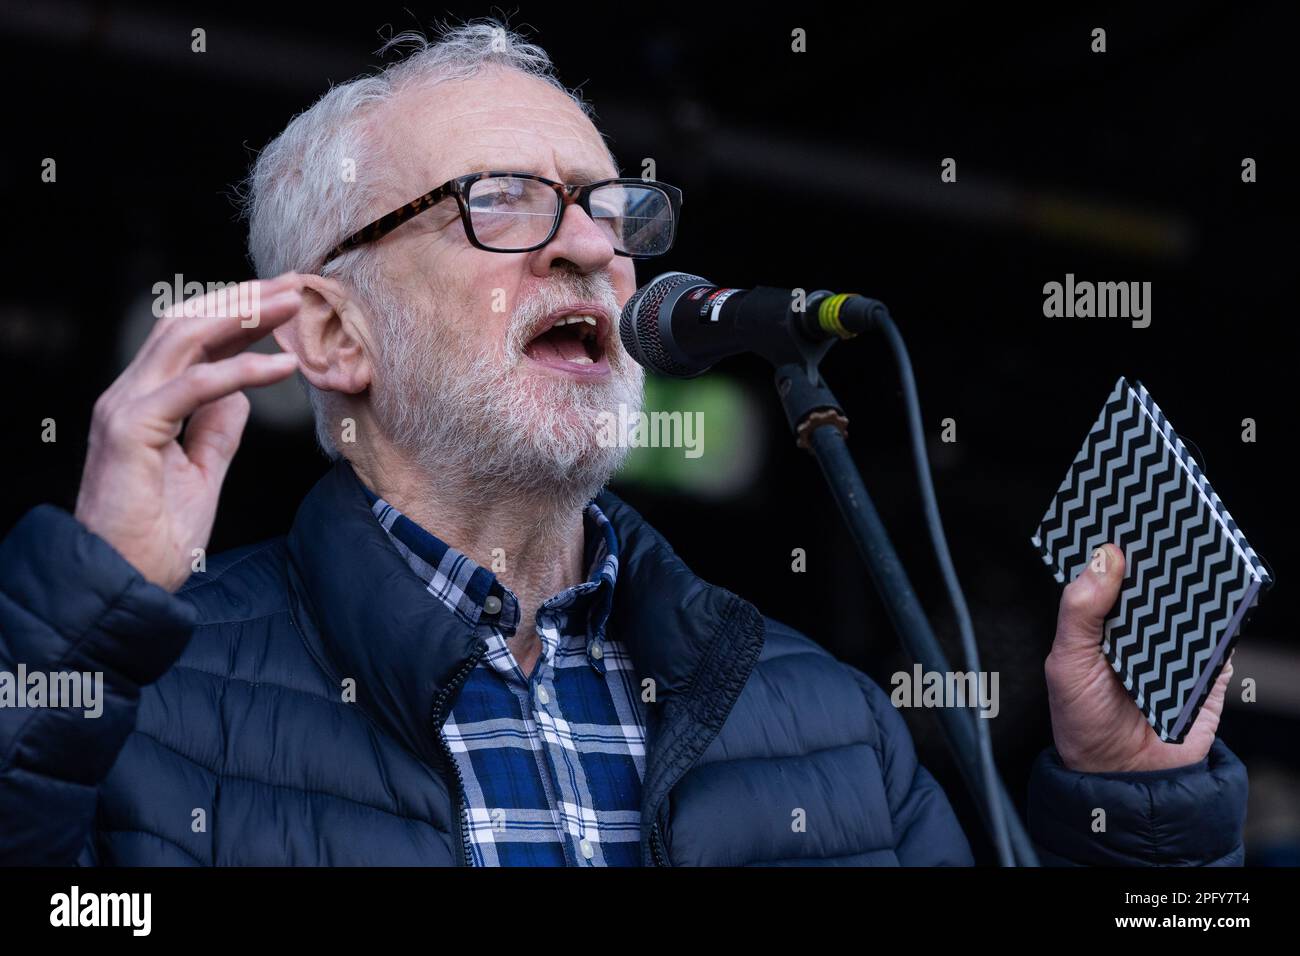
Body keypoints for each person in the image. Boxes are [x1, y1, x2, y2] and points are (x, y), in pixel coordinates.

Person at [0, 20, 1245, 866]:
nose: (592, 245)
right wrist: (90, 621)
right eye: (501, 200)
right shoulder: (133, 702)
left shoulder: (831, 722)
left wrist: (1135, 809)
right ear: (332, 332)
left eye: (612, 207)